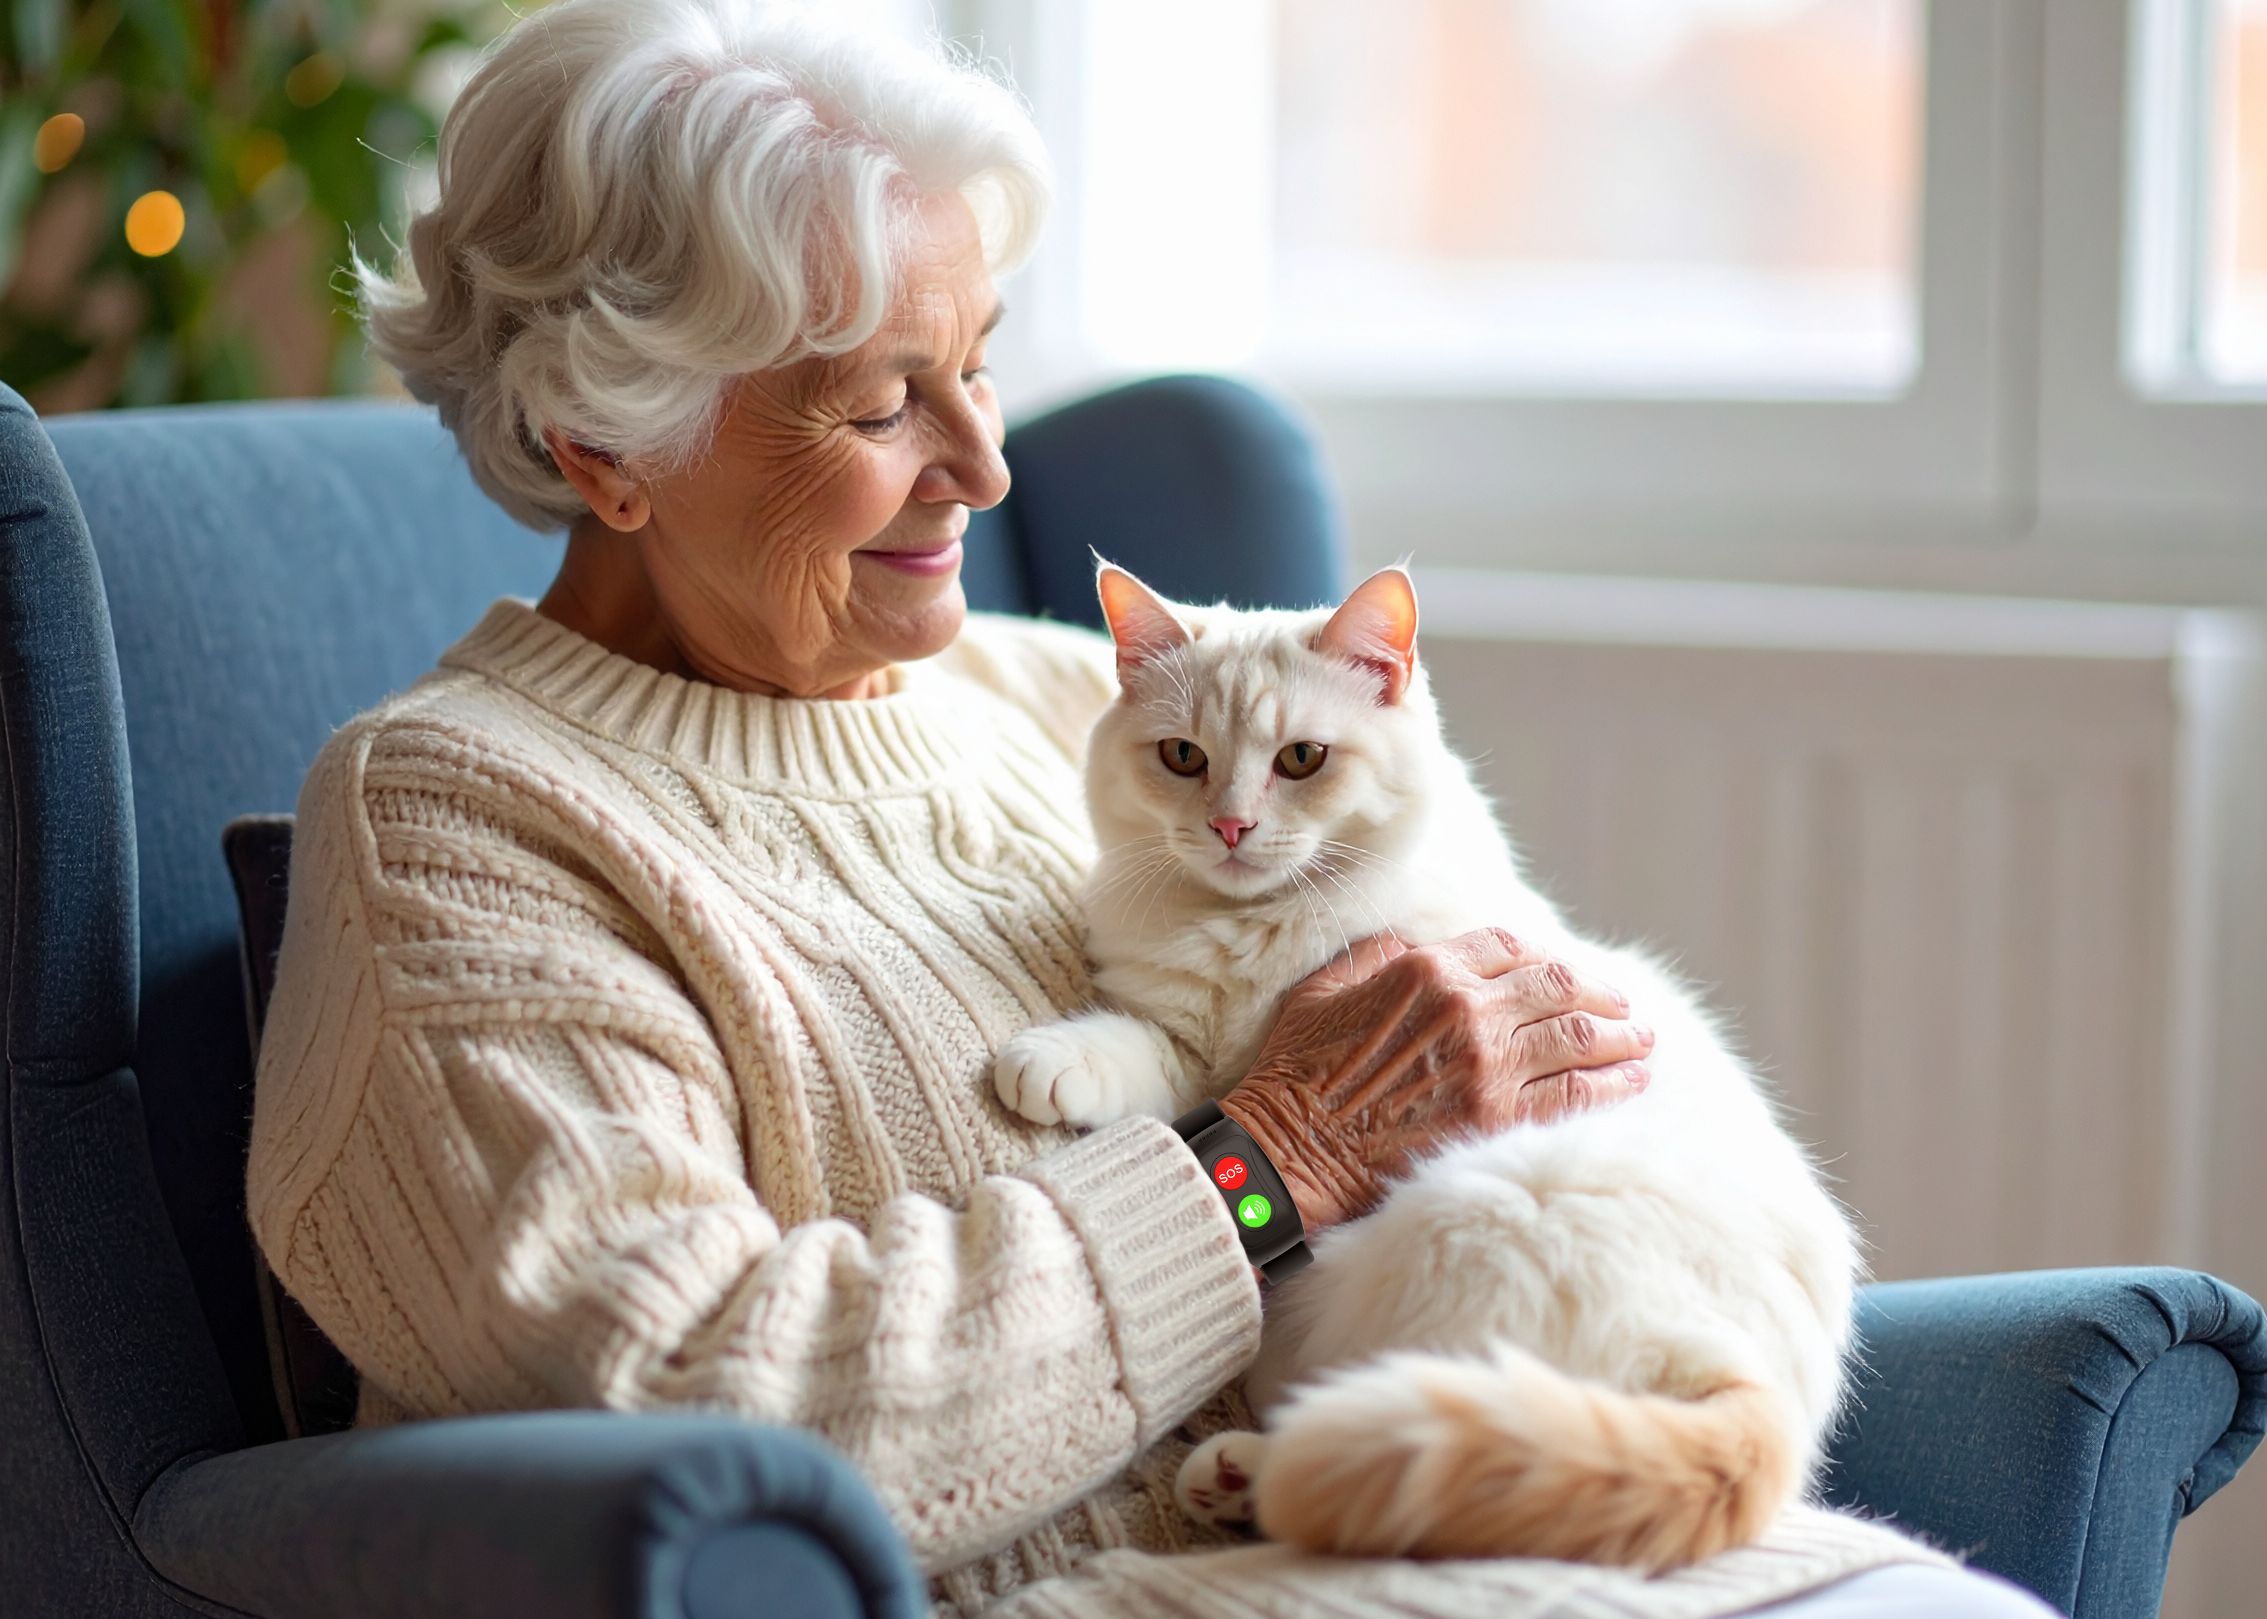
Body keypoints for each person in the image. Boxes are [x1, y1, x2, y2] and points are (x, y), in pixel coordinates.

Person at [244, 2, 2056, 1615]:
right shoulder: (460, 829)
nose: (985, 463)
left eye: (982, 358)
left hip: (1479, 1514)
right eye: (884, 401)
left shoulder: (1069, 696)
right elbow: (704, 1401)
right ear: (604, 448)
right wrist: (1262, 1170)